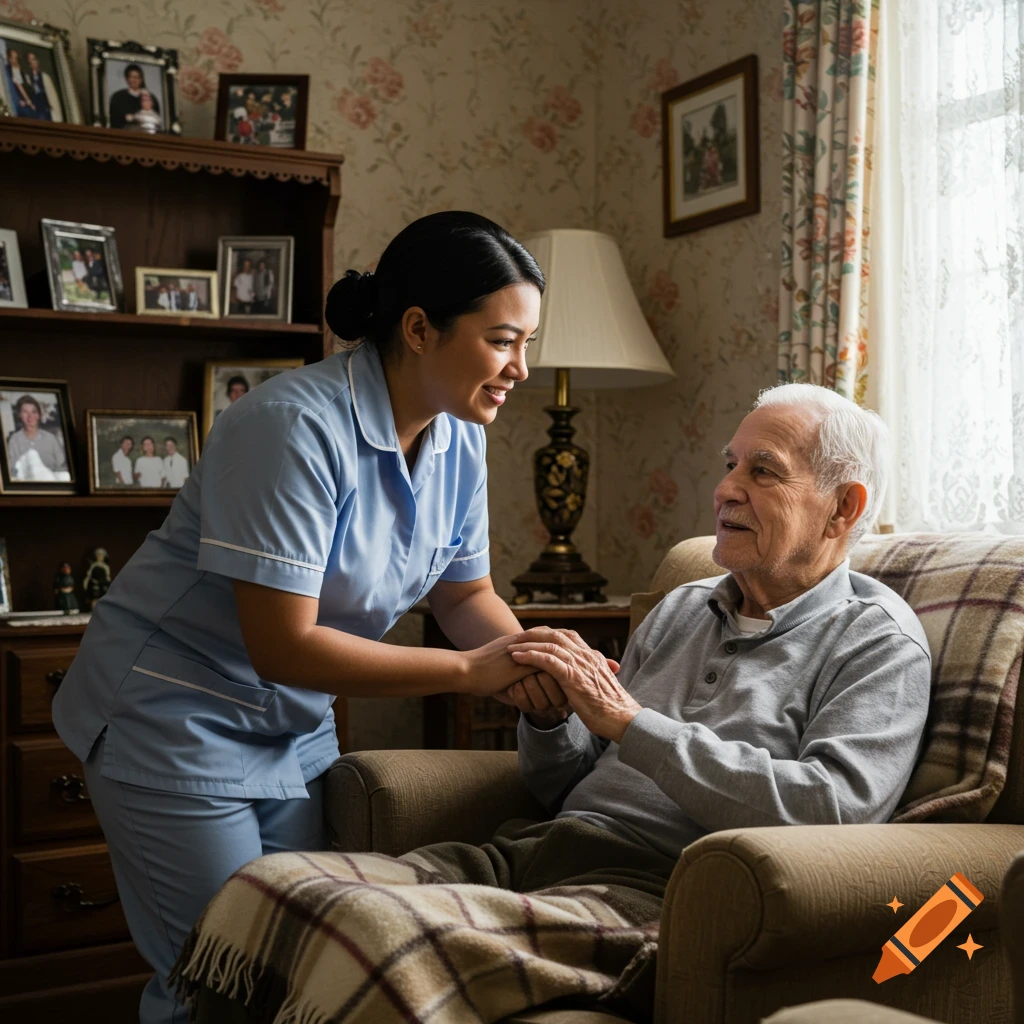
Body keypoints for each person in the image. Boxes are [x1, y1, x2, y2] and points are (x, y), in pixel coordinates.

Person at [173, 384, 934, 1023]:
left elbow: (833, 812)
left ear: (843, 507)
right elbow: (565, 785)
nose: (726, 489)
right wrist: (552, 718)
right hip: (533, 853)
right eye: (730, 464)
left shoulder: (875, 642)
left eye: (763, 472)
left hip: (651, 894)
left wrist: (629, 723)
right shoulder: (683, 607)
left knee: (369, 927)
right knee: (269, 888)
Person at [51, 210, 548, 1024]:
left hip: (291, 725)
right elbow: (283, 645)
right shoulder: (290, 426)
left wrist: (537, 661)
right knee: (217, 981)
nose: (521, 368)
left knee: (301, 973)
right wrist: (469, 672)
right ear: (419, 328)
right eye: (503, 341)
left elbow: (463, 597)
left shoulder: (460, 438)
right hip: (170, 714)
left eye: (527, 343)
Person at [6, 394, 68, 479]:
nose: (30, 416)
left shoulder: (51, 439)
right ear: (20, 415)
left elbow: (62, 467)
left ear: (38, 415)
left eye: (33, 412)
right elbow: (12, 470)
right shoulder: (14, 440)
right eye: (25, 412)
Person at [109, 63, 160, 130]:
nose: (134, 80)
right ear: (127, 78)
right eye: (131, 77)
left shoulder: (150, 97)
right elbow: (115, 120)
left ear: (141, 79)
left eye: (137, 77)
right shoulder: (118, 97)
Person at [24, 51, 62, 121]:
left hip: (45, 105)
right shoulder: (27, 77)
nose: (32, 62)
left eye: (33, 59)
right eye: (29, 60)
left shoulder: (45, 77)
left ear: (37, 61)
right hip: (35, 106)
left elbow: (52, 96)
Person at [4, 48, 35, 117]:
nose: (16, 60)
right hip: (21, 103)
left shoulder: (21, 70)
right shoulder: (9, 70)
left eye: (17, 58)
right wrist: (29, 102)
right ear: (9, 59)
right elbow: (19, 86)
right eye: (14, 58)